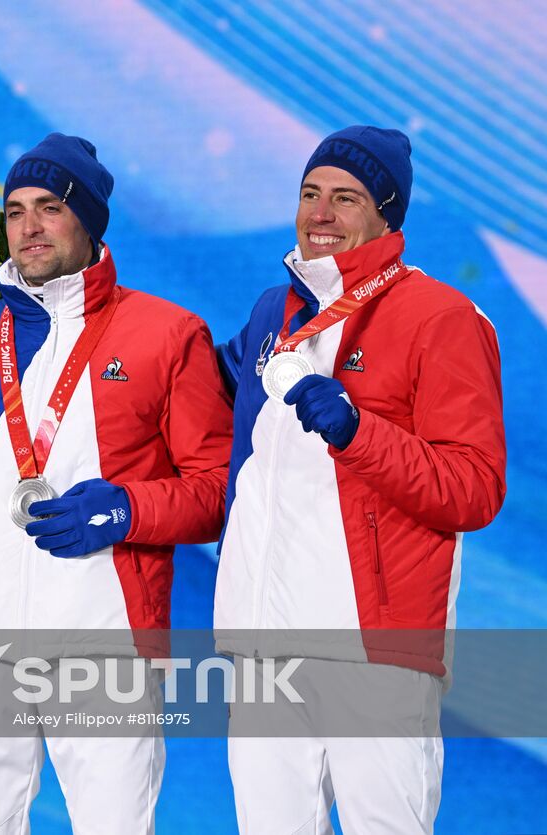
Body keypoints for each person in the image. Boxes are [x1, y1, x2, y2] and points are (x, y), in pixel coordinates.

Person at [0, 133, 234, 833]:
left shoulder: (168, 334)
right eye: (15, 211)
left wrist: (127, 508)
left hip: (104, 647)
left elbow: (219, 490)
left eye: (50, 207)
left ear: (90, 220)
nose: (29, 227)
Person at [214, 126, 507, 834]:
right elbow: (189, 383)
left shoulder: (441, 317)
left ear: (386, 215)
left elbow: (473, 488)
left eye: (345, 198)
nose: (320, 213)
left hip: (374, 651)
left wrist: (356, 431)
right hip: (260, 647)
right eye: (310, 193)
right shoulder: (274, 312)